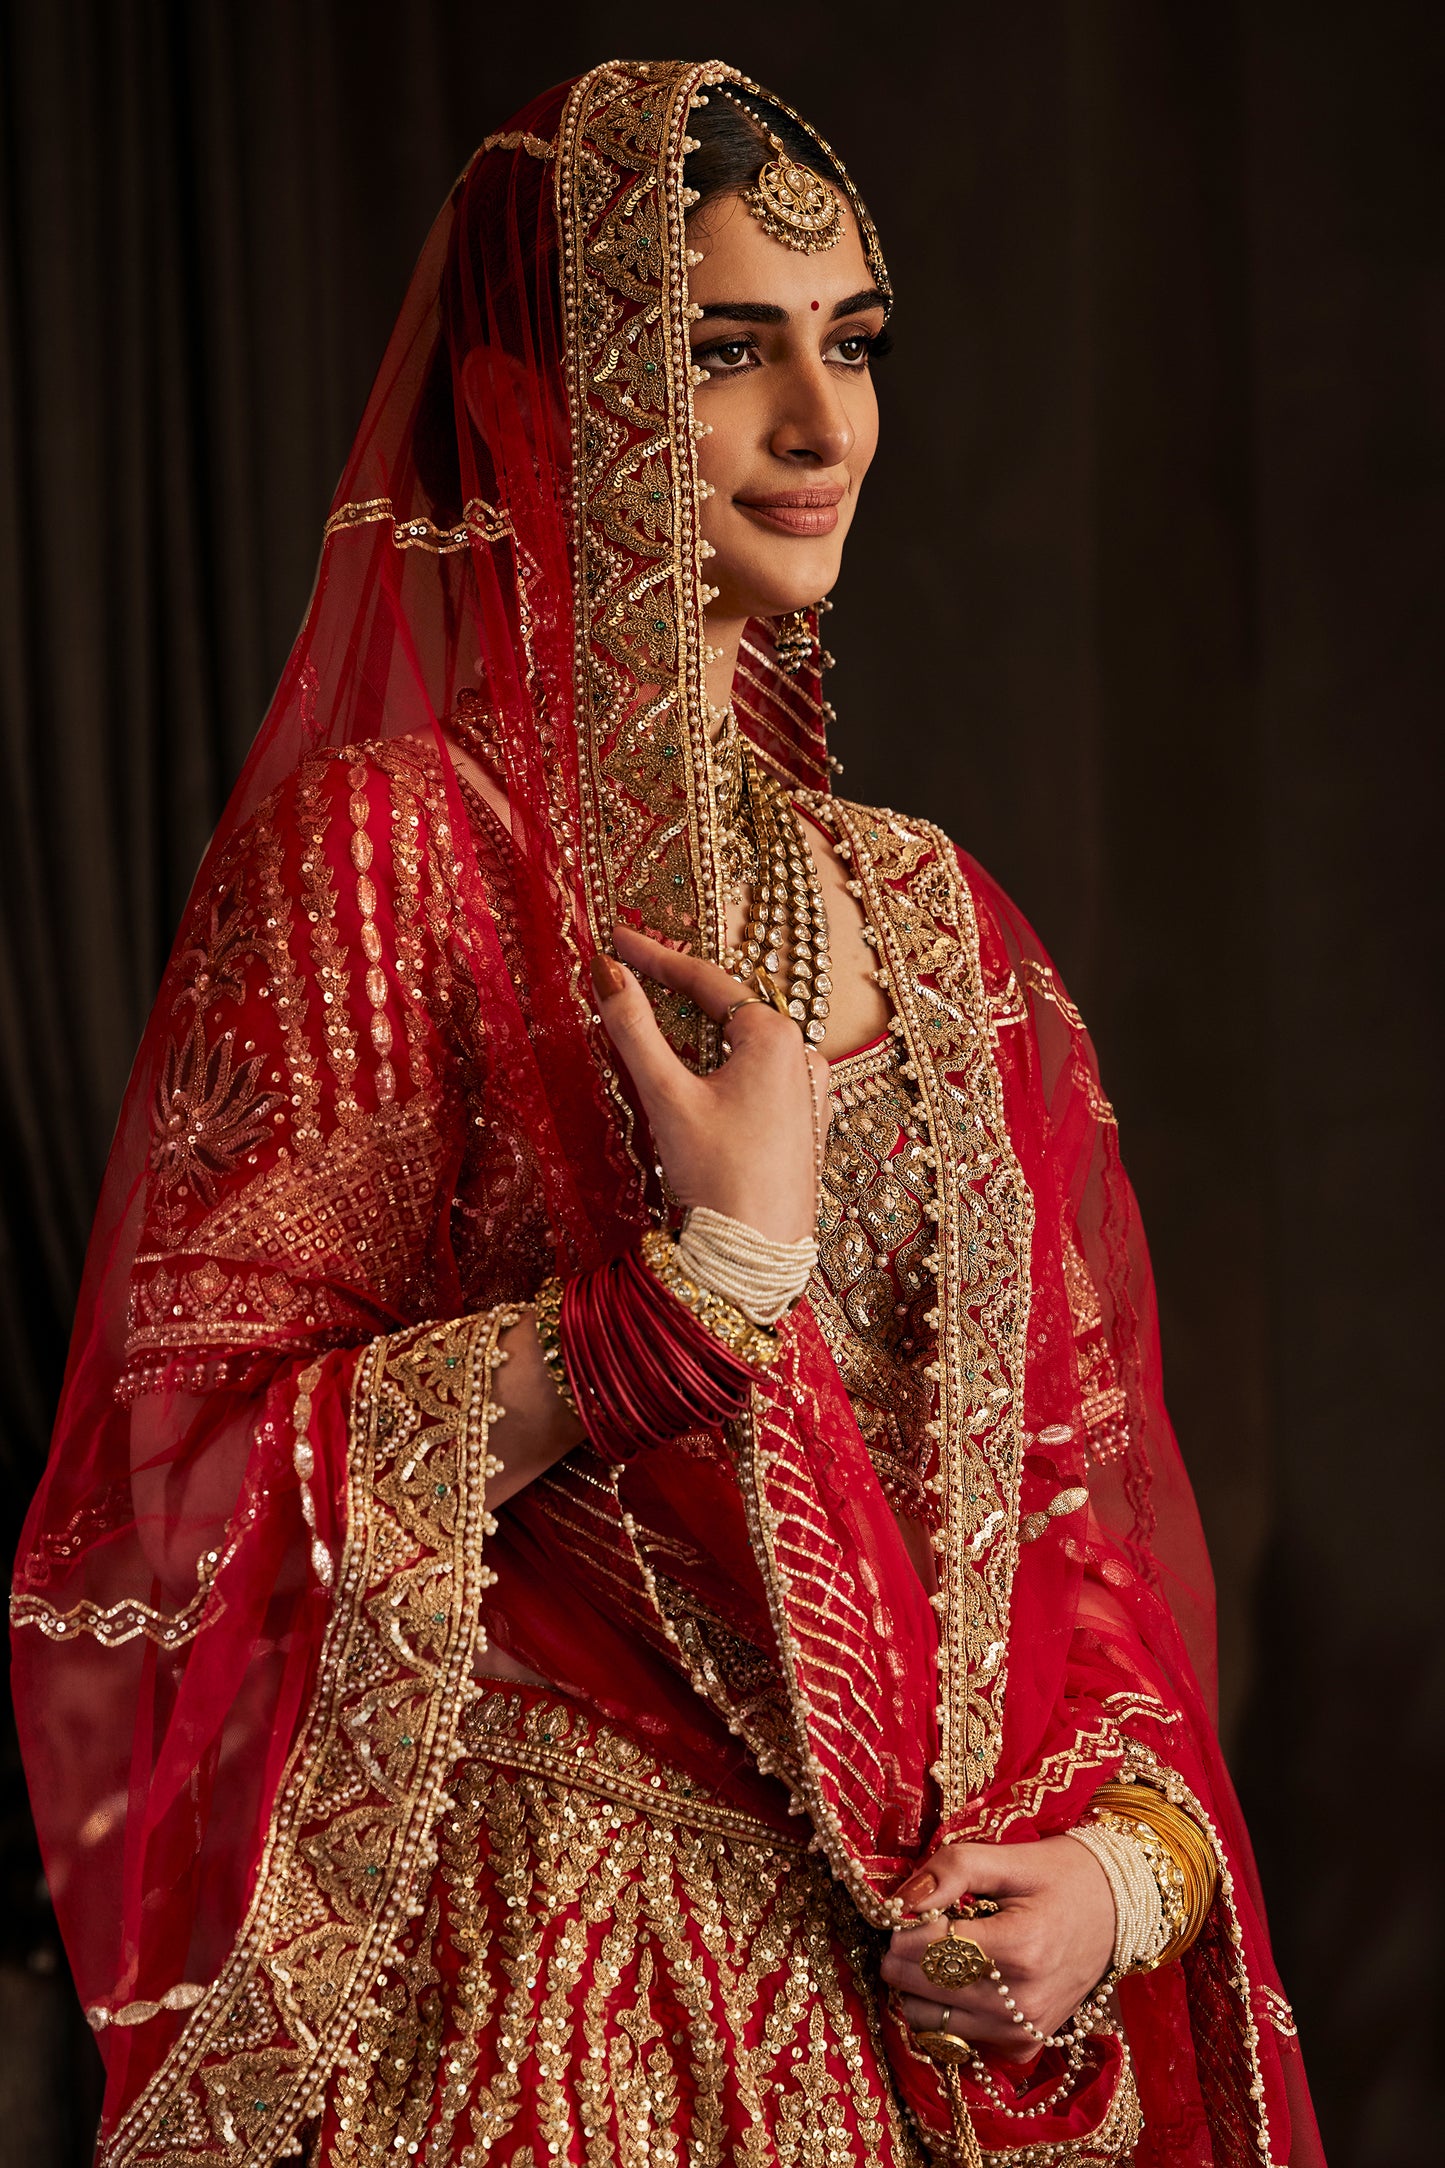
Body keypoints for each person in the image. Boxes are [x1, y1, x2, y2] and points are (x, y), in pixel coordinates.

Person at [11, 58, 1324, 2168]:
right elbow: (175, 1498)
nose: (825, 427)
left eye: (852, 347)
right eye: (728, 353)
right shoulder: (384, 868)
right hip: (549, 2012)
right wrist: (671, 1309)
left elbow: (1088, 1559)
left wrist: (1117, 1880)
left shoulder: (945, 922)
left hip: (921, 2038)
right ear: (566, 390)